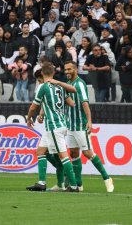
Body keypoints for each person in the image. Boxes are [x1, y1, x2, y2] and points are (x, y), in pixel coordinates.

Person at [25, 62, 79, 192]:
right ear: (53, 73)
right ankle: (41, 183)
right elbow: (71, 103)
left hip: (54, 126)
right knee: (40, 151)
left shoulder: (43, 87)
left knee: (63, 156)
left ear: (42, 73)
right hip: (59, 124)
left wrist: (28, 118)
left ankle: (73, 186)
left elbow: (33, 106)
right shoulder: (59, 87)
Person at [62, 61, 114, 192]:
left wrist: (89, 121)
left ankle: (107, 178)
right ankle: (79, 184)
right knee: (74, 153)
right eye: (65, 70)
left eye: (69, 69)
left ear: (75, 69)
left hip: (80, 125)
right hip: (70, 126)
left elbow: (85, 103)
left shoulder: (79, 83)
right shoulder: (68, 84)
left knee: (88, 153)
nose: (66, 72)